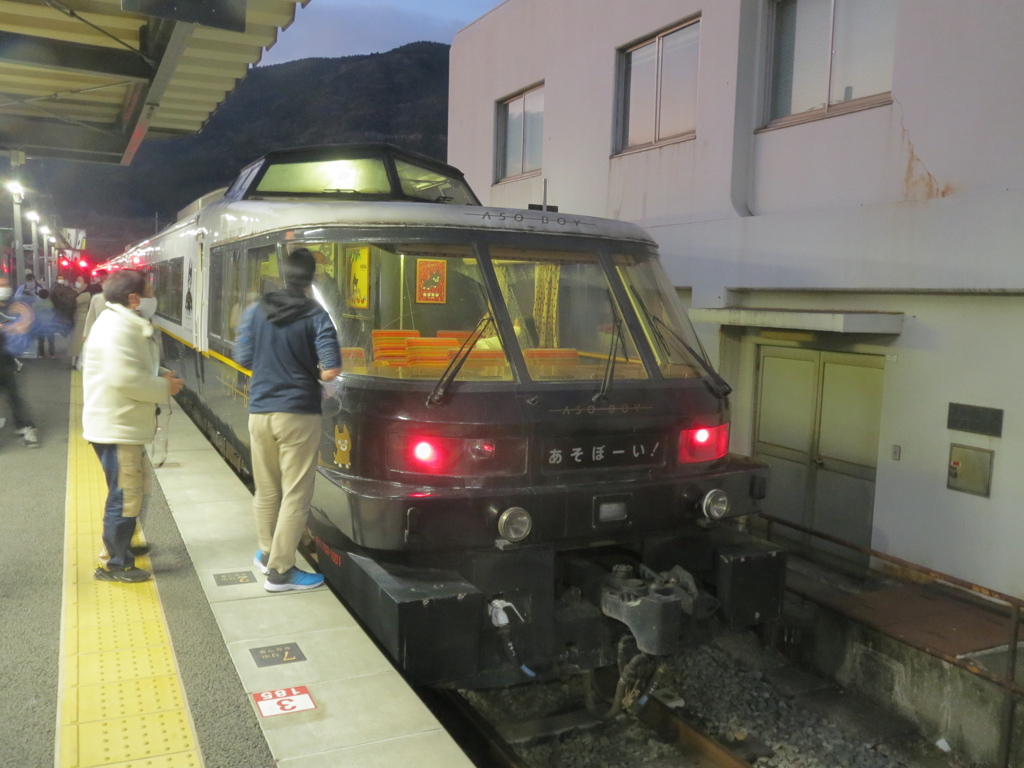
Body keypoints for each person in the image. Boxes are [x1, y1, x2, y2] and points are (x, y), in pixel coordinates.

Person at [234, 248, 341, 592]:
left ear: (281, 274)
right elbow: (330, 370)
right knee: (295, 494)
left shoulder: (255, 310)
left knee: (266, 489)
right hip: (298, 414)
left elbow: (243, 356)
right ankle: (281, 572)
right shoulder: (316, 315)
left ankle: (267, 554)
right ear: (313, 277)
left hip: (260, 410)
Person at [82, 270, 183, 583]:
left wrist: (161, 373)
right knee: (125, 495)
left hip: (123, 423)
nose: (154, 297)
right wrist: (164, 387)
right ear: (134, 298)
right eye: (150, 291)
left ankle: (123, 546)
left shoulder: (122, 323)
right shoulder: (117, 328)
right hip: (116, 426)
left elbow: (135, 365)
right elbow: (126, 379)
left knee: (134, 490)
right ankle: (113, 564)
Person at [0, 276, 39, 447]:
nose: (4, 288)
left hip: (5, 361)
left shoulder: (10, 306)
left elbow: (25, 320)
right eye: (1, 285)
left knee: (14, 395)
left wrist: (21, 324)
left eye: (6, 284)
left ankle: (23, 425)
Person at [69, 275, 91, 369]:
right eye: (77, 280)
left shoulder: (86, 294)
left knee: (78, 340)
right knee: (76, 340)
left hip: (81, 319)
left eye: (80, 281)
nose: (77, 282)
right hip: (78, 318)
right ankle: (76, 360)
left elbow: (74, 302)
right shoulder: (80, 293)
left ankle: (76, 362)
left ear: (85, 284)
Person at [82, 269, 109, 343]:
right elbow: (90, 316)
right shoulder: (96, 296)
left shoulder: (115, 295)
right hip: (99, 328)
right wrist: (86, 334)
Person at [32, 288, 58, 358]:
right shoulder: (50, 303)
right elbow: (54, 312)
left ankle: (41, 354)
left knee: (41, 340)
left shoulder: (36, 304)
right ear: (48, 295)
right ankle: (52, 354)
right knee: (51, 340)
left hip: (40, 324)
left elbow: (34, 313)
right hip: (49, 324)